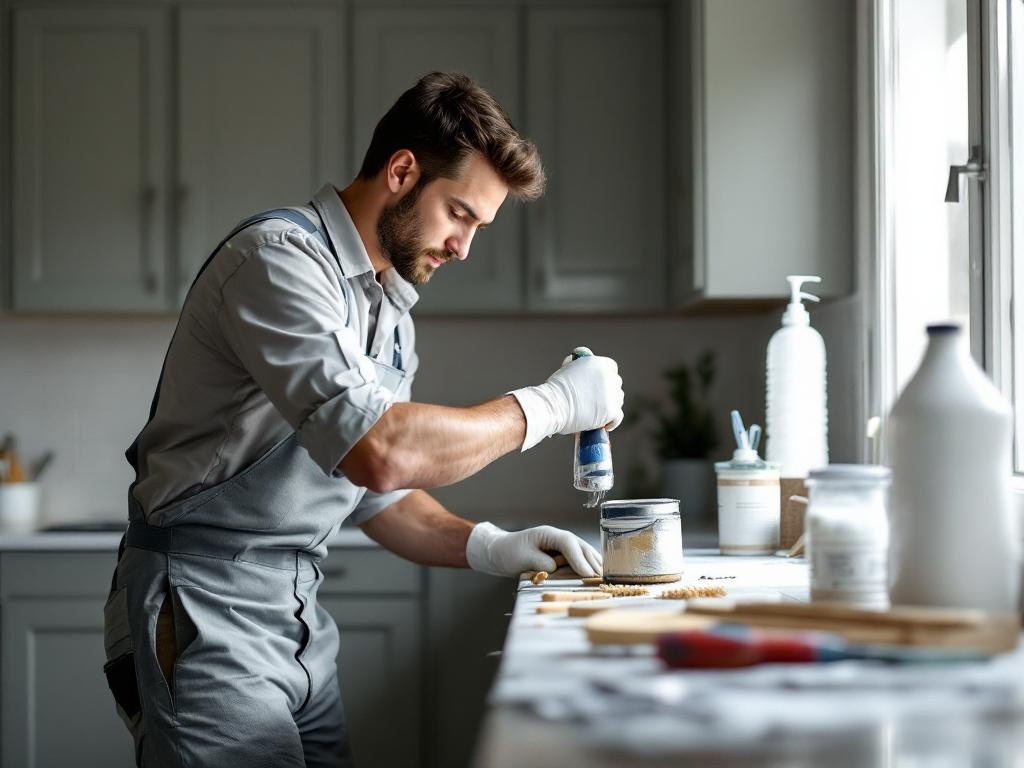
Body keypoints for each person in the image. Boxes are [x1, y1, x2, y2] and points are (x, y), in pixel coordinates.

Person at [102, 71, 624, 767]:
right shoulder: (278, 262)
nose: (465, 247)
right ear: (403, 171)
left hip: (296, 616)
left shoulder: (390, 314)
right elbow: (378, 451)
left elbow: (382, 498)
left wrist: (492, 545)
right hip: (200, 606)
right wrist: (552, 406)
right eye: (461, 214)